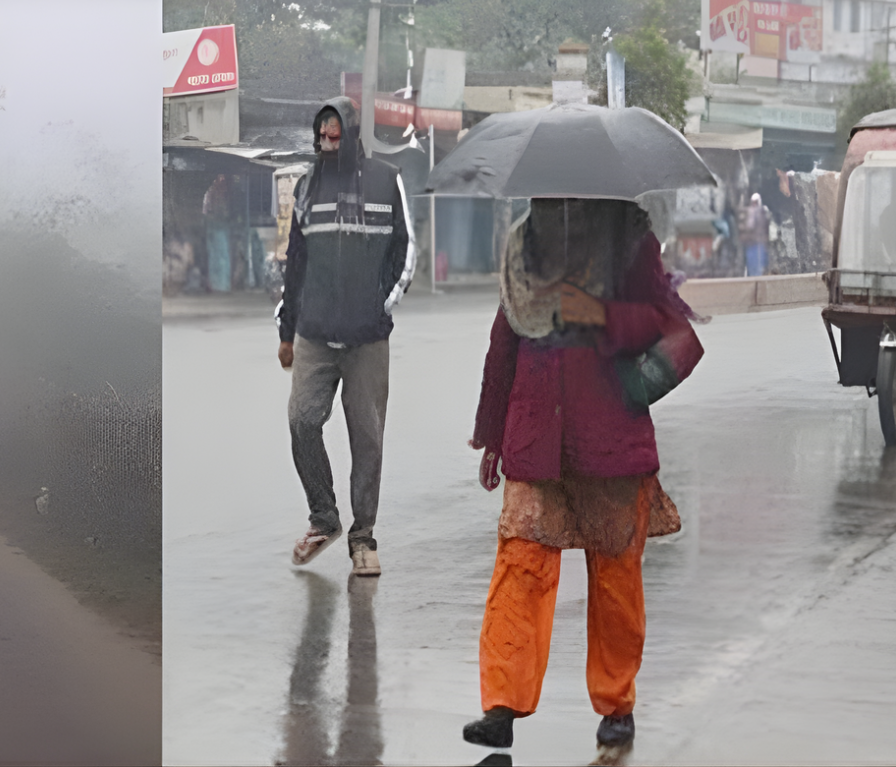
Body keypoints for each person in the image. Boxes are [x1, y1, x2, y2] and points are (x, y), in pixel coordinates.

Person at [462, 199, 704, 753]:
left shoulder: (629, 241)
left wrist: (598, 313)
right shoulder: (526, 246)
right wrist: (493, 435)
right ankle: (501, 704)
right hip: (534, 435)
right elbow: (504, 342)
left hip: (609, 438)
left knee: (616, 576)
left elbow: (668, 326)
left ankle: (616, 704)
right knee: (520, 565)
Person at [276, 97, 417, 577]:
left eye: (335, 135)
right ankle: (324, 518)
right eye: (321, 135)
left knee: (367, 439)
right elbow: (295, 261)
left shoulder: (385, 178)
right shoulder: (307, 186)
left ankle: (364, 539)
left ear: (352, 133)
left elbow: (406, 250)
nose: (326, 142)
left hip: (367, 338)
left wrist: (381, 305)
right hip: (315, 332)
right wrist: (286, 329)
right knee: (301, 421)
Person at [740, 192, 771, 276]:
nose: (755, 204)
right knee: (752, 267)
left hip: (760, 244)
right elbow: (748, 226)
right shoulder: (749, 212)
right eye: (753, 202)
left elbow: (768, 227)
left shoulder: (763, 211)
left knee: (760, 267)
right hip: (751, 245)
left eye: (756, 202)